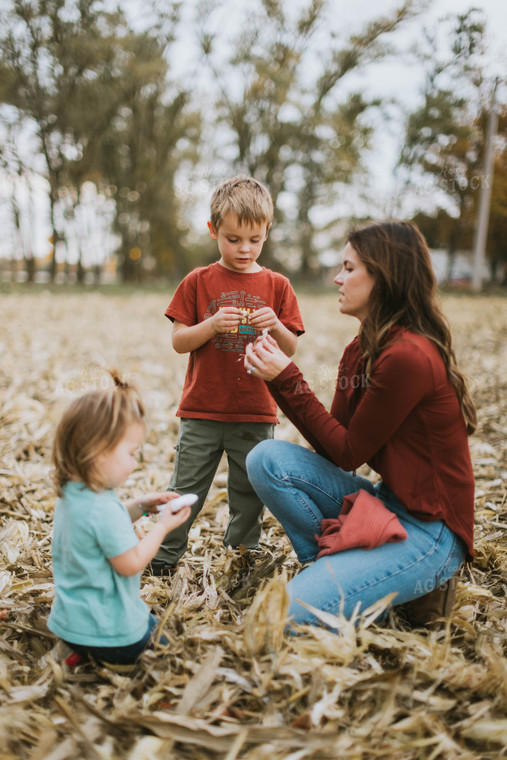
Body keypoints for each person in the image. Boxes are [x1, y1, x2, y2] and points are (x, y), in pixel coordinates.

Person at [244, 221, 476, 628]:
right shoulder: (362, 347)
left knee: (279, 617)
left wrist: (287, 378)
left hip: (430, 533)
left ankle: (388, 585)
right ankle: (346, 580)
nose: (338, 277)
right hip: (386, 506)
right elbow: (336, 449)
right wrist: (278, 378)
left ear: (383, 277)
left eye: (349, 268)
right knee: (266, 459)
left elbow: (350, 452)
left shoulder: (408, 356)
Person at [151, 175, 304, 575]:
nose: (244, 248)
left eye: (254, 239)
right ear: (213, 230)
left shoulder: (278, 286)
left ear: (267, 232)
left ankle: (241, 559)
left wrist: (276, 327)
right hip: (202, 410)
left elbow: (291, 350)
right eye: (233, 238)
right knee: (185, 490)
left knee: (248, 493)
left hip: (255, 412)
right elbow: (180, 341)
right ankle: (164, 558)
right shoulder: (198, 282)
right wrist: (213, 325)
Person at [48, 371, 192, 666]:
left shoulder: (75, 494)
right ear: (98, 454)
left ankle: (80, 651)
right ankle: (101, 655)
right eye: (131, 453)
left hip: (71, 621)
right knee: (168, 650)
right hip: (109, 631)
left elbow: (103, 526)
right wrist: (162, 526)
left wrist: (142, 505)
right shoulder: (101, 509)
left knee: (150, 622)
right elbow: (131, 563)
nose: (135, 461)